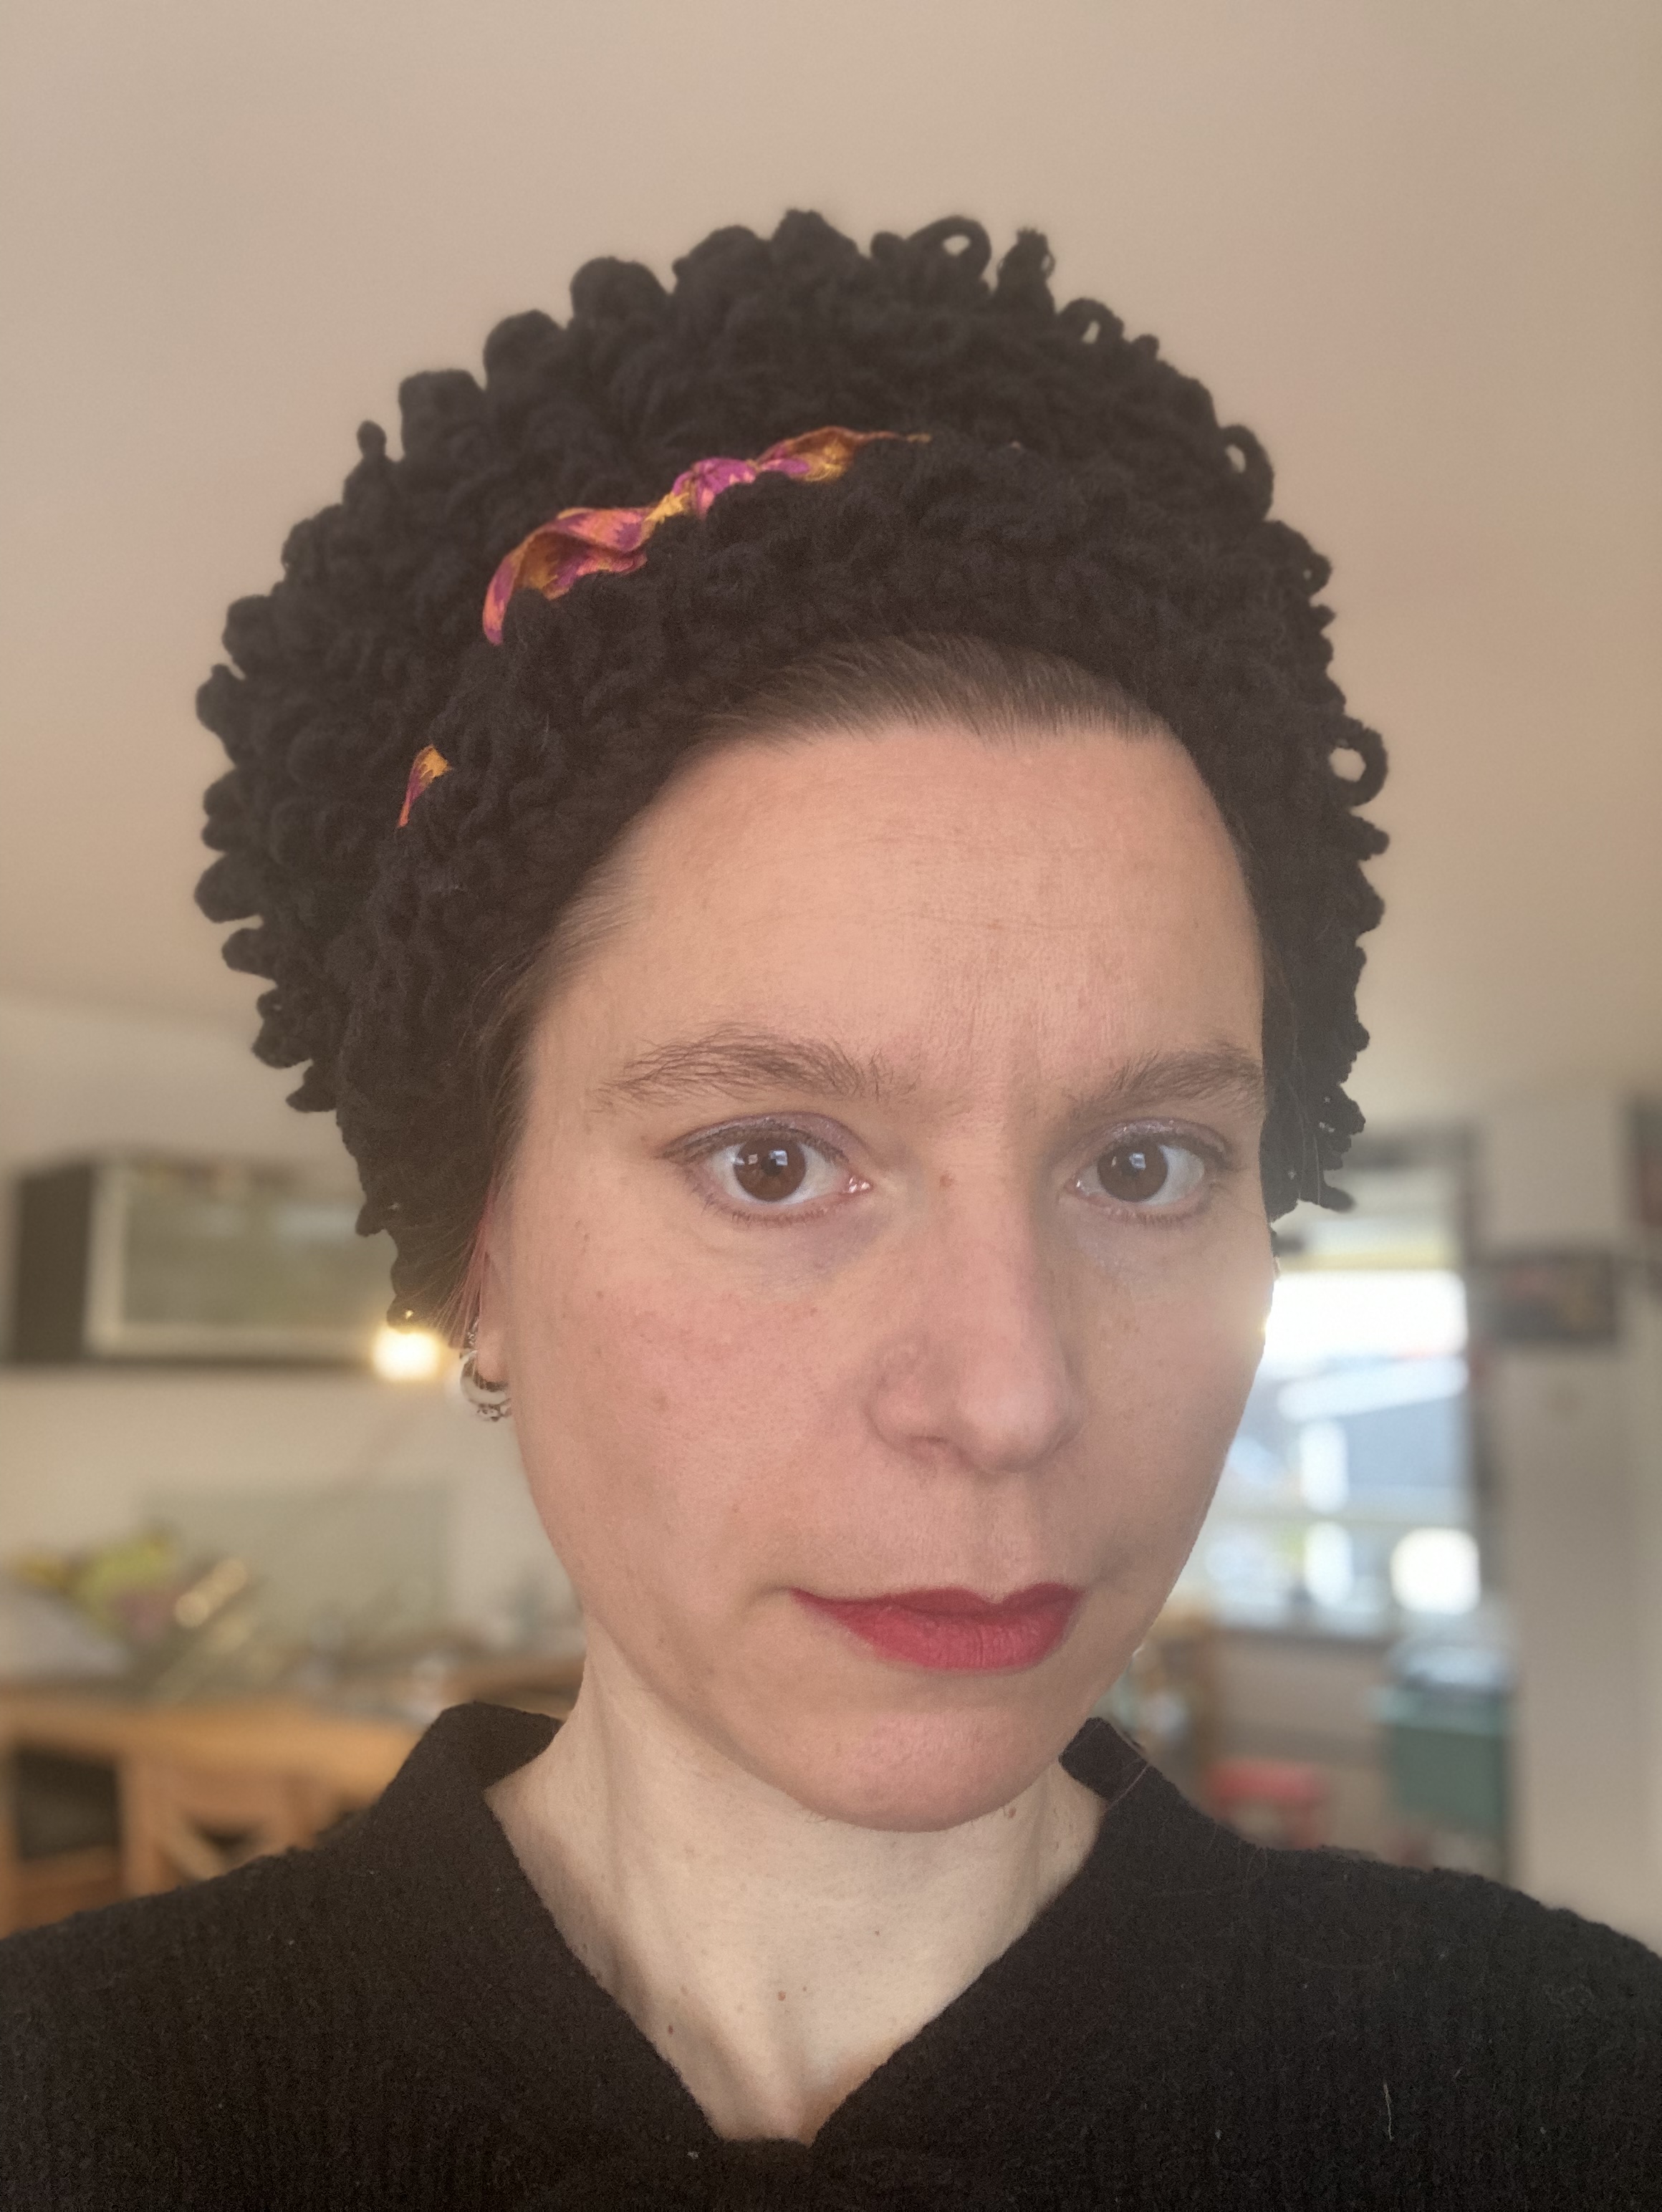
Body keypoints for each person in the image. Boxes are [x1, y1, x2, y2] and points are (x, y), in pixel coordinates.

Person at [1, 213, 1656, 2211]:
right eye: (770, 1160)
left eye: (1144, 1164)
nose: (1007, 1396)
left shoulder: (1575, 2107)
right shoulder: (67, 2113)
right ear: (480, 1254)